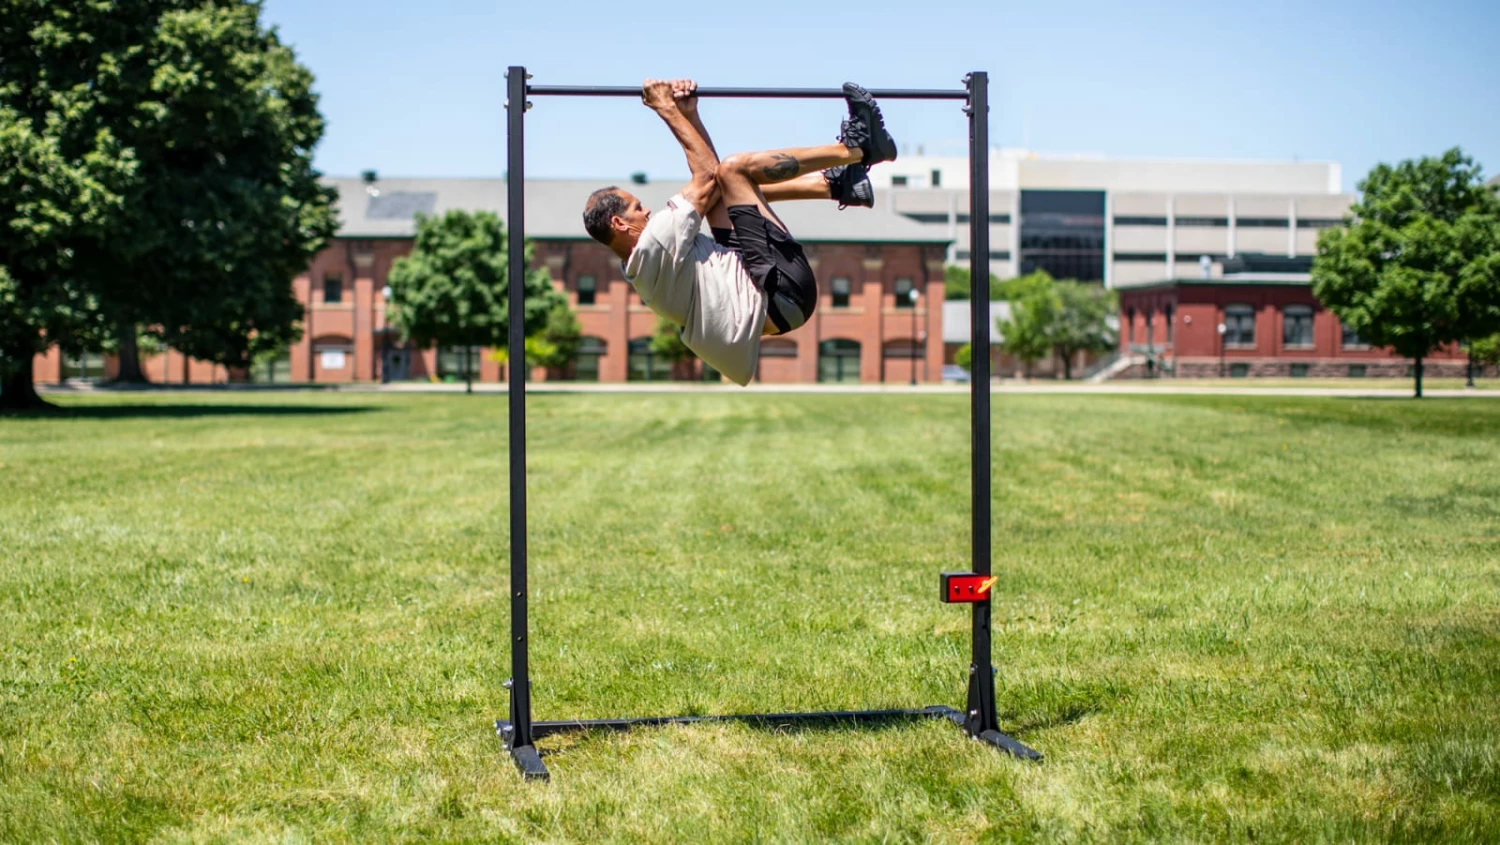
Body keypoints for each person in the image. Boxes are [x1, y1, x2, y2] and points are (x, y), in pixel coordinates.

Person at [581, 78, 897, 385]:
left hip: (768, 294)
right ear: (619, 223)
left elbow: (714, 183)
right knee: (736, 167)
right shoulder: (655, 244)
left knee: (725, 188)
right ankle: (856, 149)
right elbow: (708, 173)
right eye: (637, 208)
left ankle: (836, 186)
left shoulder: (643, 264)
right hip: (780, 294)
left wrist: (690, 116)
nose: (647, 210)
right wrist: (665, 107)